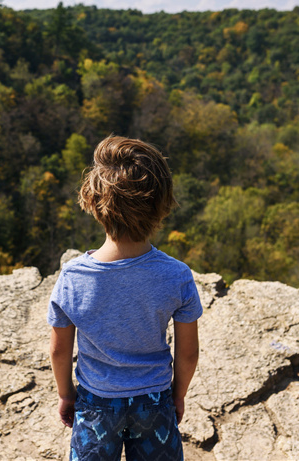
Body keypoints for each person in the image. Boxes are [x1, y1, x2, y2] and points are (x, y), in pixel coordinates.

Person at [47, 135, 202, 461]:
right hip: (155, 401)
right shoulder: (177, 276)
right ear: (162, 205)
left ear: (92, 200)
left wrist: (66, 394)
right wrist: (178, 396)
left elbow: (60, 349)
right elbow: (187, 355)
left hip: (96, 404)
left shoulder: (73, 277)